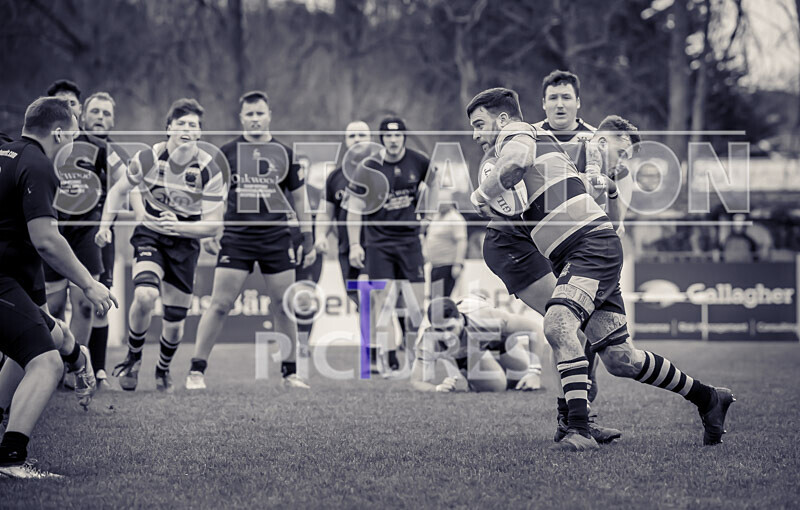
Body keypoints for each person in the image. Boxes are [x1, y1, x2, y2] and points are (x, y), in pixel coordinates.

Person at [468, 87, 734, 451]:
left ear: (502, 119)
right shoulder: (546, 144)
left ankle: (578, 428)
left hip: (589, 248)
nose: (475, 134)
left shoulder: (517, 133)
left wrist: (480, 194)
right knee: (621, 359)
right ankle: (709, 398)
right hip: (587, 250)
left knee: (558, 324)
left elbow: (517, 160)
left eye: (479, 124)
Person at [0, 97, 116, 478]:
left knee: (29, 346)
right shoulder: (38, 165)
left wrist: (78, 355)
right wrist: (90, 284)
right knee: (46, 362)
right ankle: (11, 459)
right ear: (60, 133)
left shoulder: (7, 153)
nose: (75, 143)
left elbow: (45, 321)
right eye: (75, 134)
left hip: (11, 280)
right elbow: (47, 240)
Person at [183, 91, 314, 391]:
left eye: (260, 113)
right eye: (250, 114)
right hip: (237, 238)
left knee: (284, 306)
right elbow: (210, 195)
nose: (255, 119)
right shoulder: (226, 153)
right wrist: (209, 230)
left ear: (269, 116)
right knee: (220, 304)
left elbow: (300, 200)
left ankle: (290, 374)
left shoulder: (286, 154)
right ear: (241, 118)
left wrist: (307, 238)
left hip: (276, 238)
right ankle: (196, 371)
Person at [96, 98, 226, 393]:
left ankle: (163, 368)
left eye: (193, 125)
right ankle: (133, 358)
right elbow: (118, 191)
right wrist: (105, 226)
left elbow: (214, 224)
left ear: (199, 133)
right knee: (145, 295)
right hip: (150, 235)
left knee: (174, 322)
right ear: (169, 128)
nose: (186, 130)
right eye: (181, 124)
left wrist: (179, 226)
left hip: (185, 242)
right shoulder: (149, 157)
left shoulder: (209, 167)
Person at [44, 90, 128, 390]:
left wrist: (114, 215)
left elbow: (128, 181)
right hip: (53, 232)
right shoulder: (47, 145)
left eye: (107, 113)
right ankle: (49, 368)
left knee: (89, 303)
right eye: (96, 111)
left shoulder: (106, 149)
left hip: (92, 234)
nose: (100, 117)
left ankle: (81, 370)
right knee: (53, 306)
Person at [346, 117, 436, 374]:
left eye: (398, 135)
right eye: (388, 136)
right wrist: (355, 244)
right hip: (379, 243)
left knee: (416, 306)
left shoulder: (418, 161)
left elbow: (435, 180)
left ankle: (413, 358)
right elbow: (354, 209)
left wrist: (429, 214)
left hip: (410, 242)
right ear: (382, 139)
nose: (393, 140)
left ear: (404, 137)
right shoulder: (368, 167)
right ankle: (386, 359)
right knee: (383, 303)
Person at [411, 295, 542, 393]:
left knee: (521, 375)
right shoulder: (429, 338)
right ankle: (473, 380)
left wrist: (534, 372)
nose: (446, 336)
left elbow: (534, 329)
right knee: (497, 387)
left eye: (450, 328)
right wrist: (438, 388)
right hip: (467, 351)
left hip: (493, 336)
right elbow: (416, 381)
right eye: (439, 330)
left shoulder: (487, 317)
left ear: (460, 319)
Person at [532, 70, 595, 143]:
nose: (560, 105)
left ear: (577, 102)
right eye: (553, 98)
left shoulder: (596, 138)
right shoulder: (530, 135)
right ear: (544, 103)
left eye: (566, 98)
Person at [424, 199, 467, 298]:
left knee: (442, 299)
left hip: (447, 266)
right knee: (435, 298)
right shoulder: (436, 217)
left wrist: (458, 264)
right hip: (435, 266)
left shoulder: (455, 218)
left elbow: (461, 241)